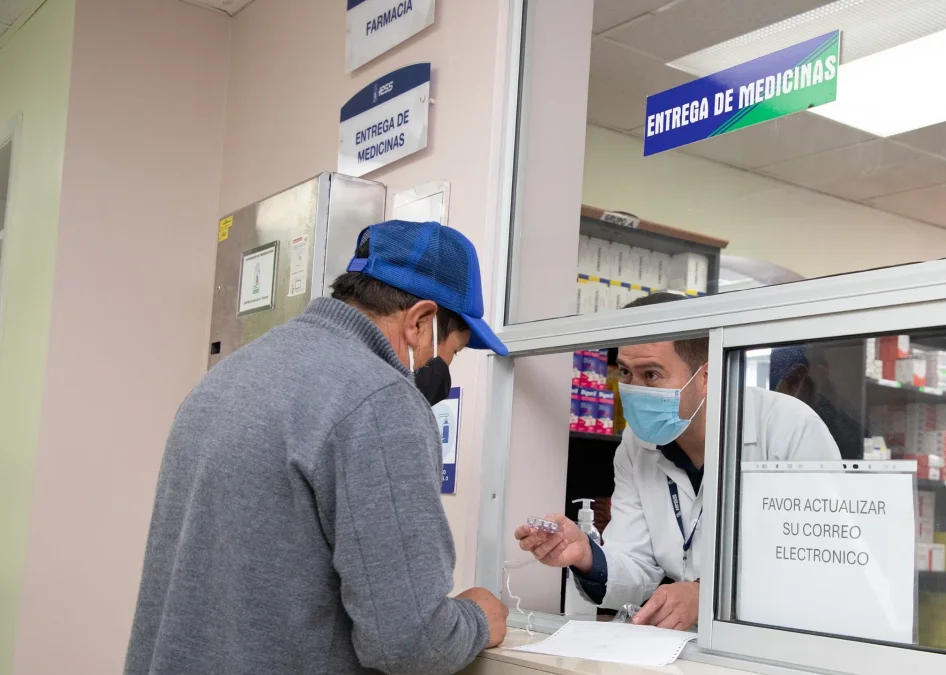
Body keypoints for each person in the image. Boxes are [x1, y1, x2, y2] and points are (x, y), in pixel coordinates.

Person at [125, 221, 509, 675]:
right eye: (451, 352)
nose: (440, 369)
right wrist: (481, 616)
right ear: (421, 322)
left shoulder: (229, 376)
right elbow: (412, 643)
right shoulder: (381, 400)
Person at [514, 292, 839, 631]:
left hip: (779, 640)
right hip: (685, 647)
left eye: (651, 374)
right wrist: (584, 555)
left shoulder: (788, 429)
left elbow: (817, 561)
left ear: (707, 376)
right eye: (625, 371)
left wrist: (707, 595)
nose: (633, 389)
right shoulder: (637, 443)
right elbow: (637, 565)